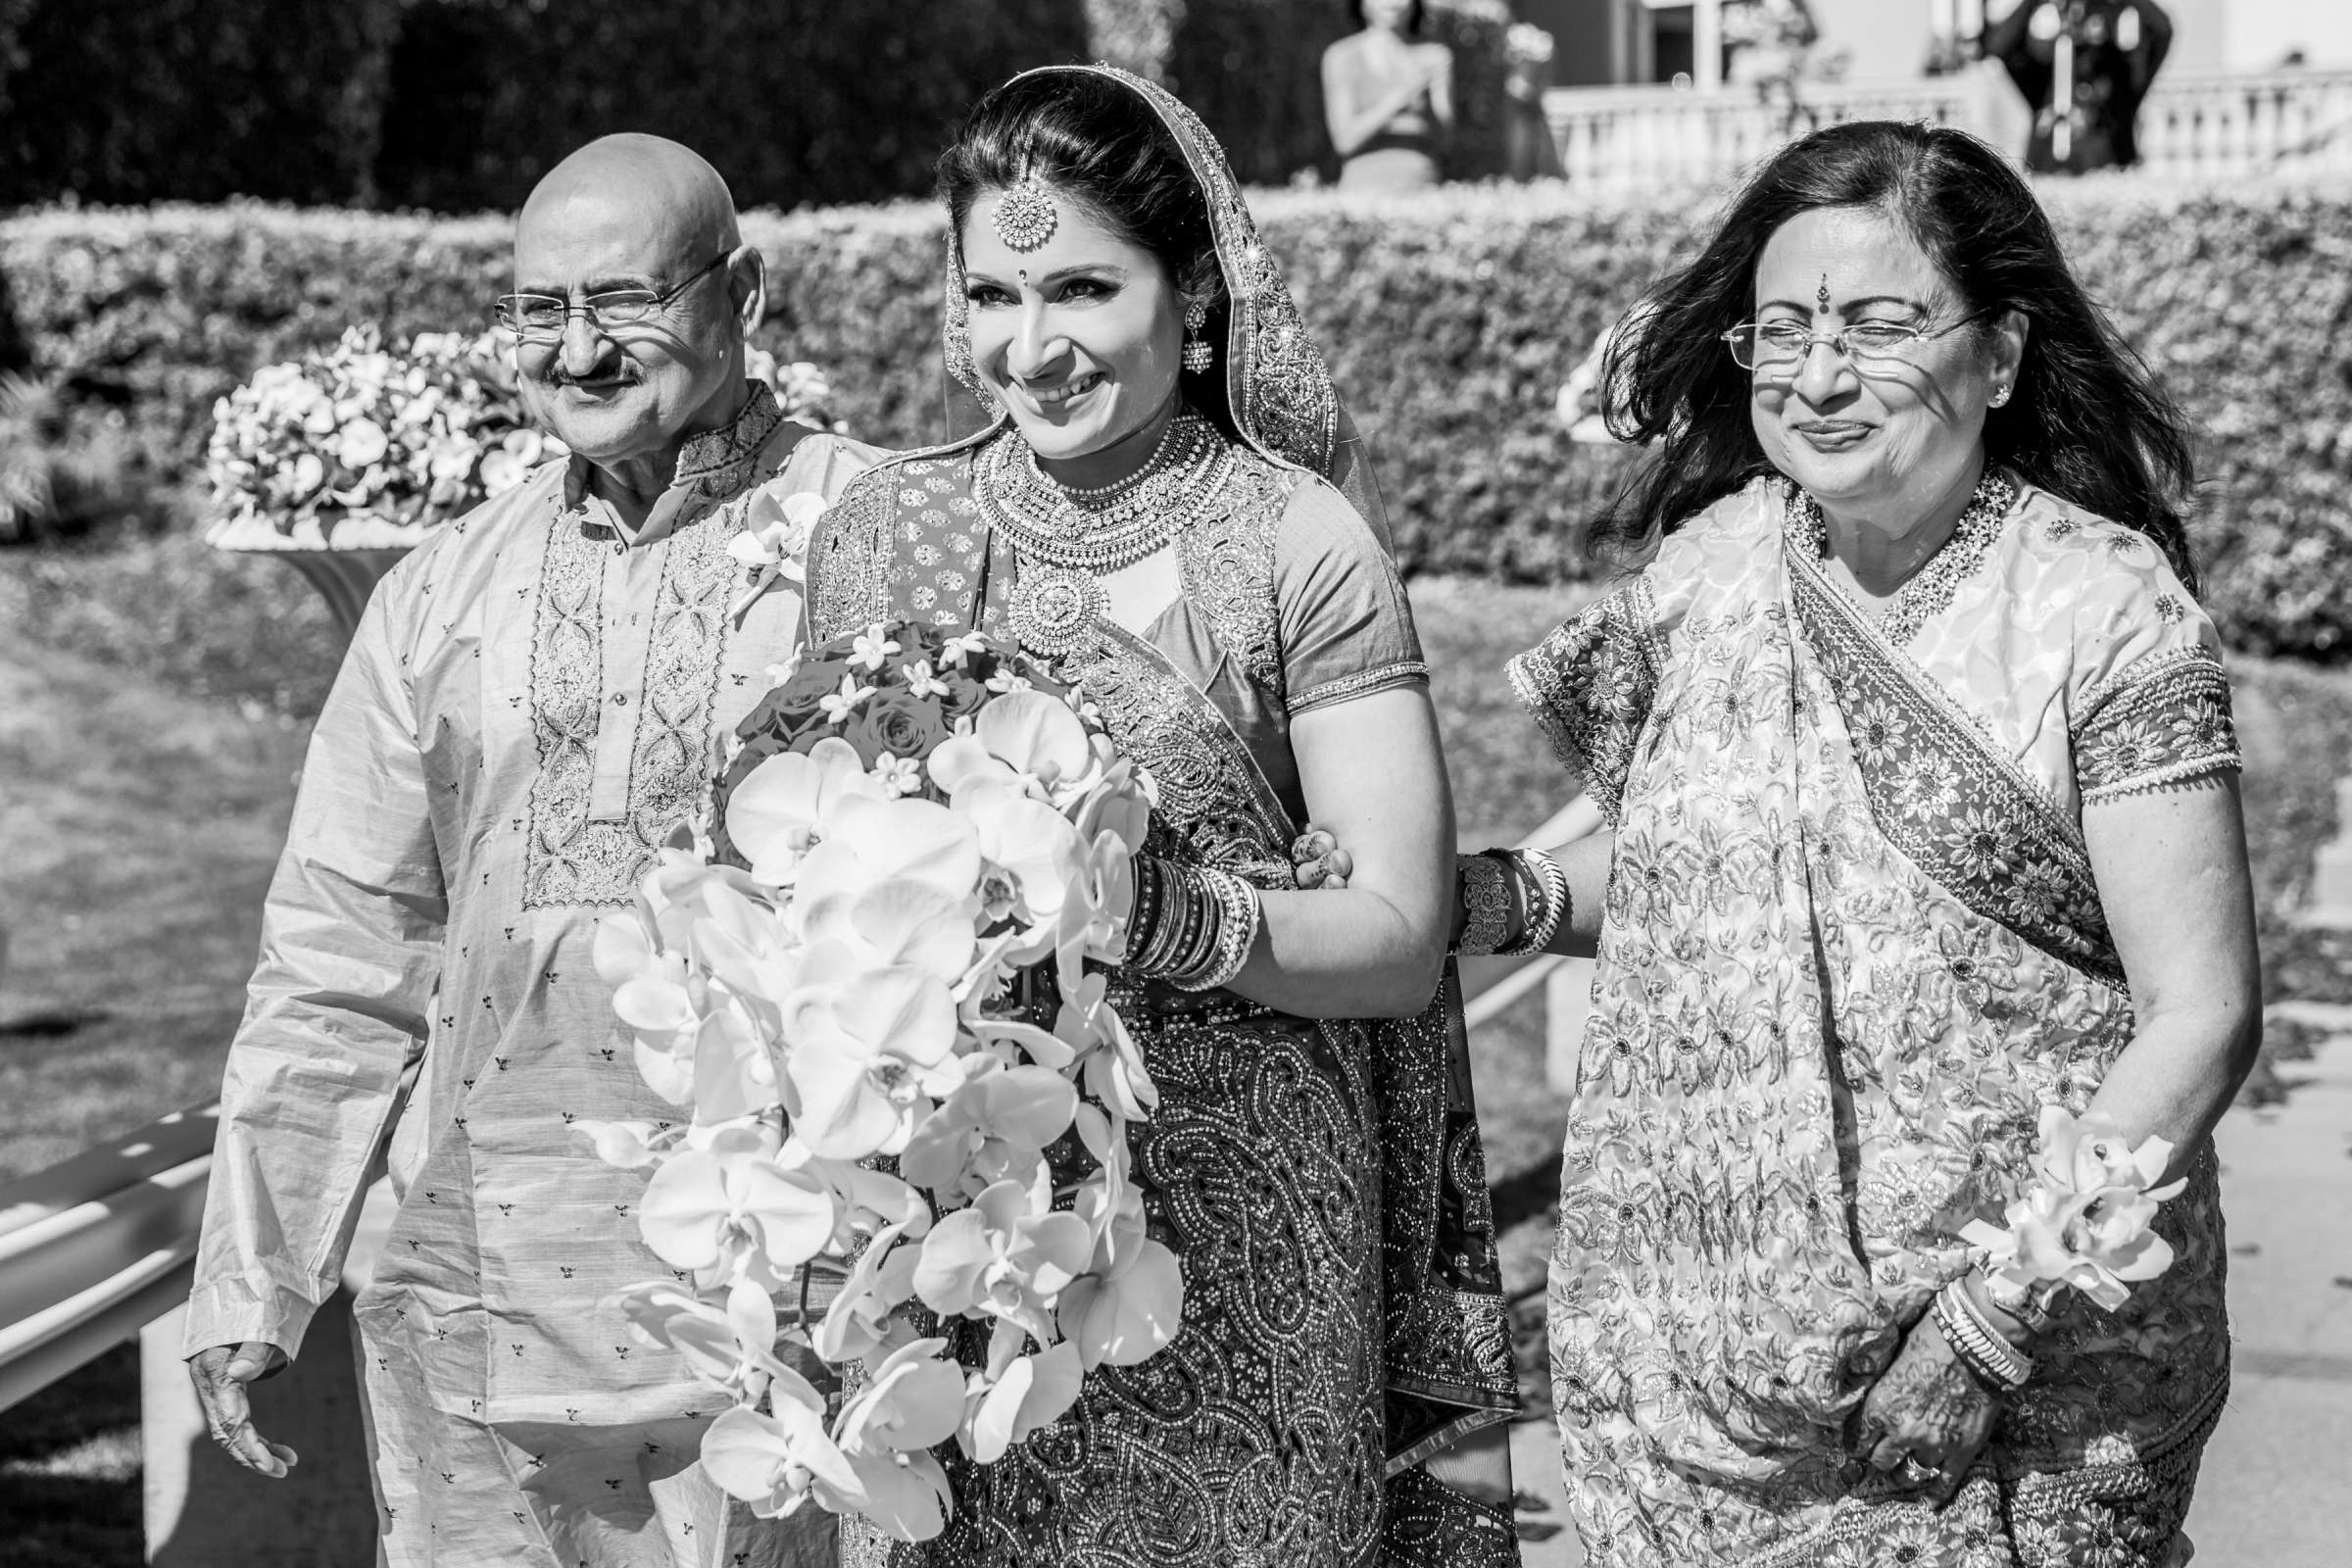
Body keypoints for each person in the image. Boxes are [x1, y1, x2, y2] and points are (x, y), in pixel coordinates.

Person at [1464, 120, 2255, 1564]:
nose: (1819, 376)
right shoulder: (1714, 578)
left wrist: (1986, 1325)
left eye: (1881, 326)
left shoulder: (2101, 611)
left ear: (2001, 356)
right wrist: (1494, 901)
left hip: (2028, 1394)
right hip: (1715, 1390)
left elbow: (2201, 1015)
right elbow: (1683, 891)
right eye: (1782, 333)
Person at [804, 63, 1522, 1568]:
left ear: (1193, 294)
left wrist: (1145, 911)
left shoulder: (1291, 540)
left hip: (1255, 1237)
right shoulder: (885, 538)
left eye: (1082, 289)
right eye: (994, 295)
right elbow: (829, 902)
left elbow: (1394, 934)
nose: (1033, 346)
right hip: (977, 1243)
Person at [181, 133, 885, 1566]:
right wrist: (256, 1279)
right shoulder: (443, 590)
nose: (577, 350)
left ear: (741, 295)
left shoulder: (882, 544)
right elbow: (340, 952)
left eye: (622, 300)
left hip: (806, 1305)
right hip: (479, 1301)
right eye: (536, 311)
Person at [1985, 0, 2174, 173]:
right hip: (2047, 173)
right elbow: (1999, 45)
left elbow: (2162, 30)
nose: (2082, 19)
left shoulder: (2122, 76)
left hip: (2108, 177)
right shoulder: (2044, 75)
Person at [1321, 0, 1454, 192]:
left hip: (1422, 187)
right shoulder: (1341, 56)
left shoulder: (1435, 57)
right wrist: (1399, 100)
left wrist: (1426, 102)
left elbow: (1444, 142)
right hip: (1362, 189)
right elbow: (1344, 140)